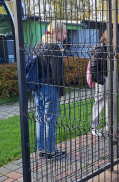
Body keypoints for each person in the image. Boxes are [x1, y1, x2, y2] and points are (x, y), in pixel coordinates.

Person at [33, 21, 66, 160]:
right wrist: (61, 91)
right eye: (64, 33)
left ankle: (41, 149)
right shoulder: (53, 46)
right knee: (51, 119)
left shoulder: (39, 44)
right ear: (56, 32)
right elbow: (57, 72)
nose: (65, 36)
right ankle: (51, 152)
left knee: (40, 116)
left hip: (37, 86)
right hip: (50, 86)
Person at [90, 30, 112, 136]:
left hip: (110, 77)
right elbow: (93, 67)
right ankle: (94, 127)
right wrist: (101, 80)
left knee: (110, 101)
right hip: (102, 78)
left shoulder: (112, 49)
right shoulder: (99, 49)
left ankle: (109, 125)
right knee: (99, 101)